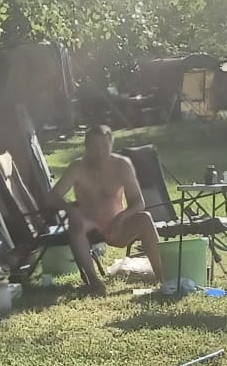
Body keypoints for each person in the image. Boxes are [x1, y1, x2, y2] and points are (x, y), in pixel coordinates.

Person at [45, 124, 165, 293]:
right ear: (86, 147)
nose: (99, 152)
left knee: (145, 218)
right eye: (94, 147)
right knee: (76, 224)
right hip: (90, 225)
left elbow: (138, 202)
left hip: (117, 225)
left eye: (103, 146)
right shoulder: (77, 167)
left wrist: (122, 217)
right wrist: (70, 210)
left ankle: (162, 275)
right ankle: (93, 281)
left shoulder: (122, 165)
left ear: (111, 144)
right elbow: (51, 197)